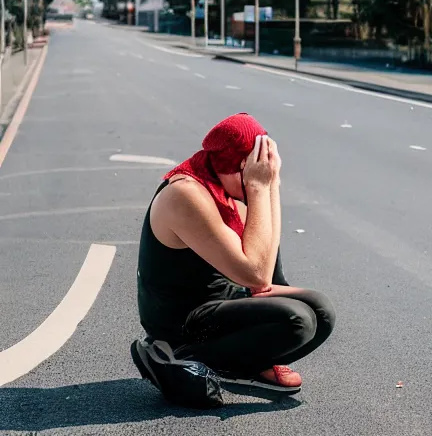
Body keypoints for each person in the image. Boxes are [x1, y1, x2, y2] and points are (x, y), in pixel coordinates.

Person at [131, 113, 335, 395]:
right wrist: (260, 187)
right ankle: (178, 358)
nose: (262, 174)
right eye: (257, 168)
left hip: (226, 303)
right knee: (296, 321)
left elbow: (268, 271)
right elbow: (256, 273)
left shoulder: (227, 189)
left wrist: (271, 185)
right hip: (184, 324)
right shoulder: (185, 194)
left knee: (321, 312)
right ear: (242, 166)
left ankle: (242, 365)